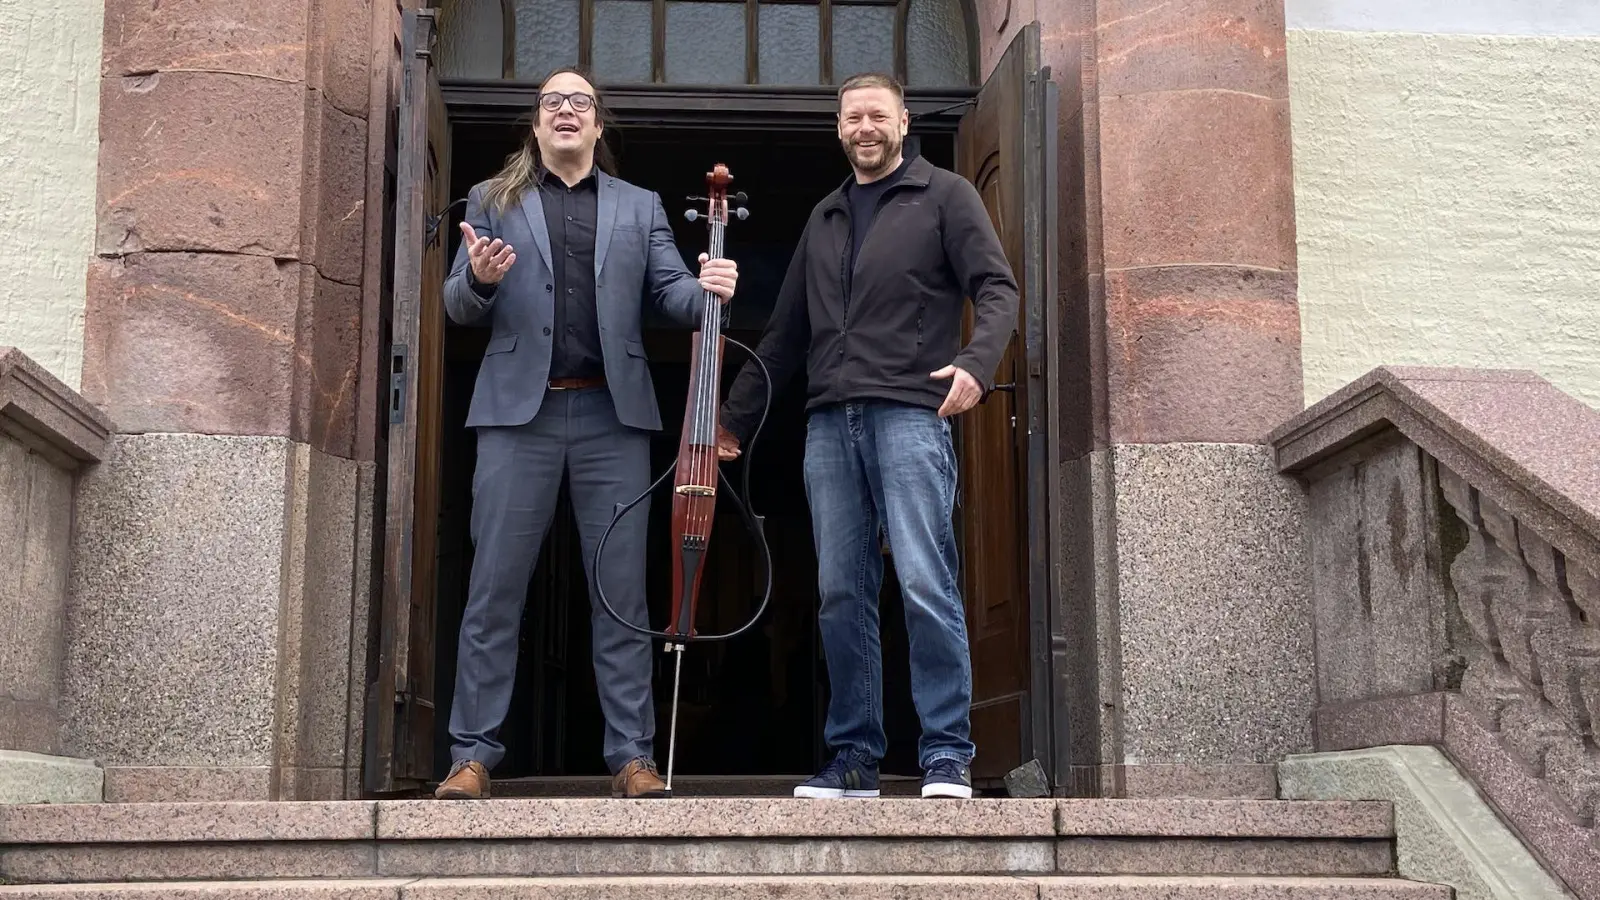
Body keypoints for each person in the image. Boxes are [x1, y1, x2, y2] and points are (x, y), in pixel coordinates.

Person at [434, 67, 738, 801]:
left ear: (599, 126)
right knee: (493, 591)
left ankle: (631, 756)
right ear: (536, 127)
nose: (565, 112)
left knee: (622, 596)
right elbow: (454, 306)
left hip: (613, 419)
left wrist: (707, 287)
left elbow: (669, 292)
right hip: (517, 418)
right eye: (551, 103)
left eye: (580, 103)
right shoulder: (491, 200)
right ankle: (472, 754)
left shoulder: (640, 206)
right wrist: (476, 276)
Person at [718, 72, 1018, 801]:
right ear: (840, 127)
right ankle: (854, 757)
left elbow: (998, 289)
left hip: (912, 414)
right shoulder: (825, 216)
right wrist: (730, 419)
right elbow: (785, 334)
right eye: (853, 116)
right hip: (829, 423)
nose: (865, 127)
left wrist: (978, 366)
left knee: (924, 581)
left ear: (904, 120)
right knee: (838, 594)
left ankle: (947, 753)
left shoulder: (947, 195)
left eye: (877, 114)